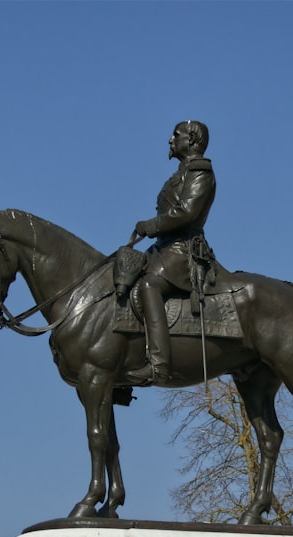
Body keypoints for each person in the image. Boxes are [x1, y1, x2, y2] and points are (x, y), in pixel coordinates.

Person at [128, 120, 216, 385]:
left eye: (175, 135)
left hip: (183, 251)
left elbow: (187, 213)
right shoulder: (181, 173)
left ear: (191, 140)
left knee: (149, 286)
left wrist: (152, 224)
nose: (170, 140)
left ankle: (159, 364)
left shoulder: (200, 172)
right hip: (164, 248)